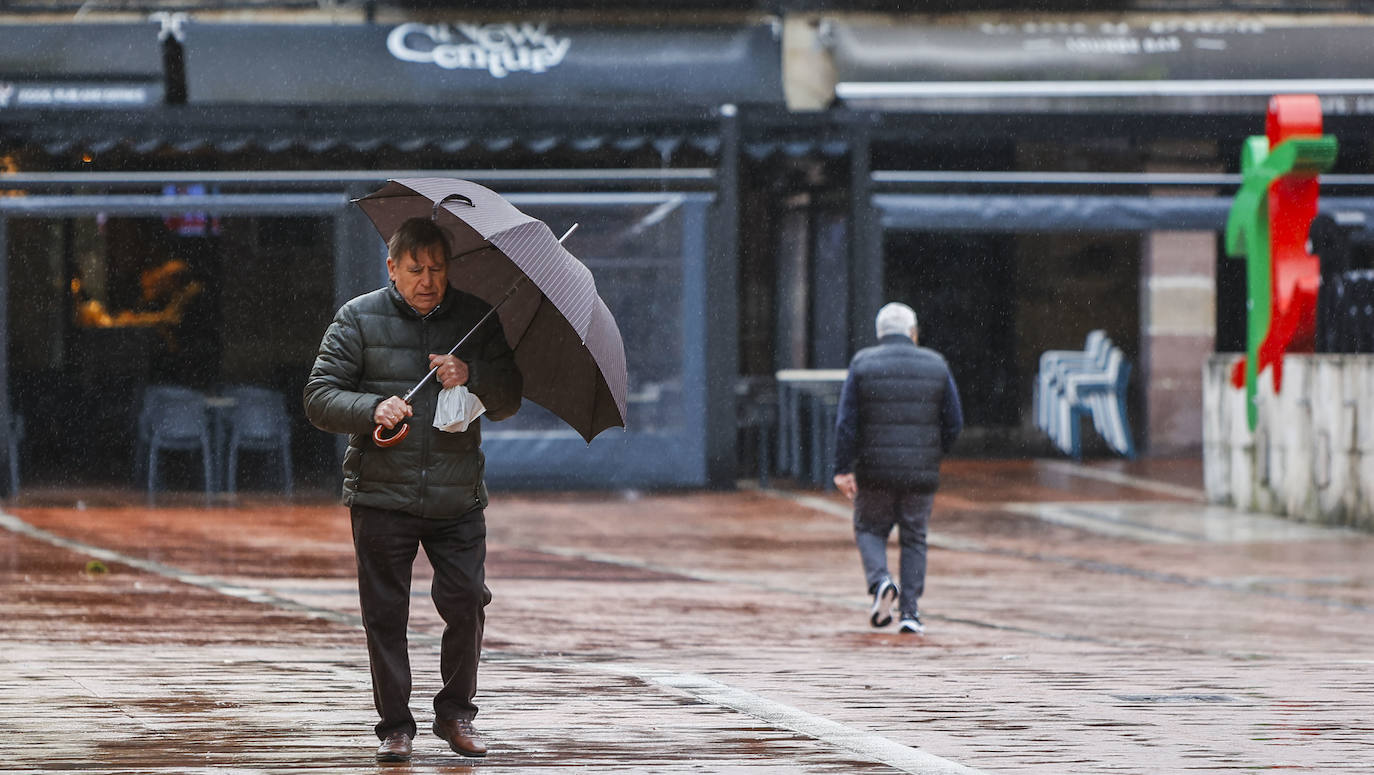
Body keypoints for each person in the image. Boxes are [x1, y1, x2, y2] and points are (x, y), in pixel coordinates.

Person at [304, 216, 522, 762]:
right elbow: (318, 397)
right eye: (415, 269)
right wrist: (371, 406)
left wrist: (470, 373)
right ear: (392, 269)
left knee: (467, 602)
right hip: (382, 494)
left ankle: (455, 713)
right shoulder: (357, 318)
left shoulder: (475, 319)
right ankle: (395, 727)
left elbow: (509, 398)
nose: (428, 280)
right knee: (384, 613)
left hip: (457, 498)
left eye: (438, 269)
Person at [832, 302, 962, 636]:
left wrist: (843, 468)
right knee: (915, 537)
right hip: (921, 472)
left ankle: (881, 583)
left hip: (874, 470)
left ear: (880, 334)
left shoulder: (863, 363)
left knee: (870, 529)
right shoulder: (936, 364)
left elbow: (846, 423)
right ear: (913, 332)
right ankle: (910, 613)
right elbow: (954, 422)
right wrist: (933, 453)